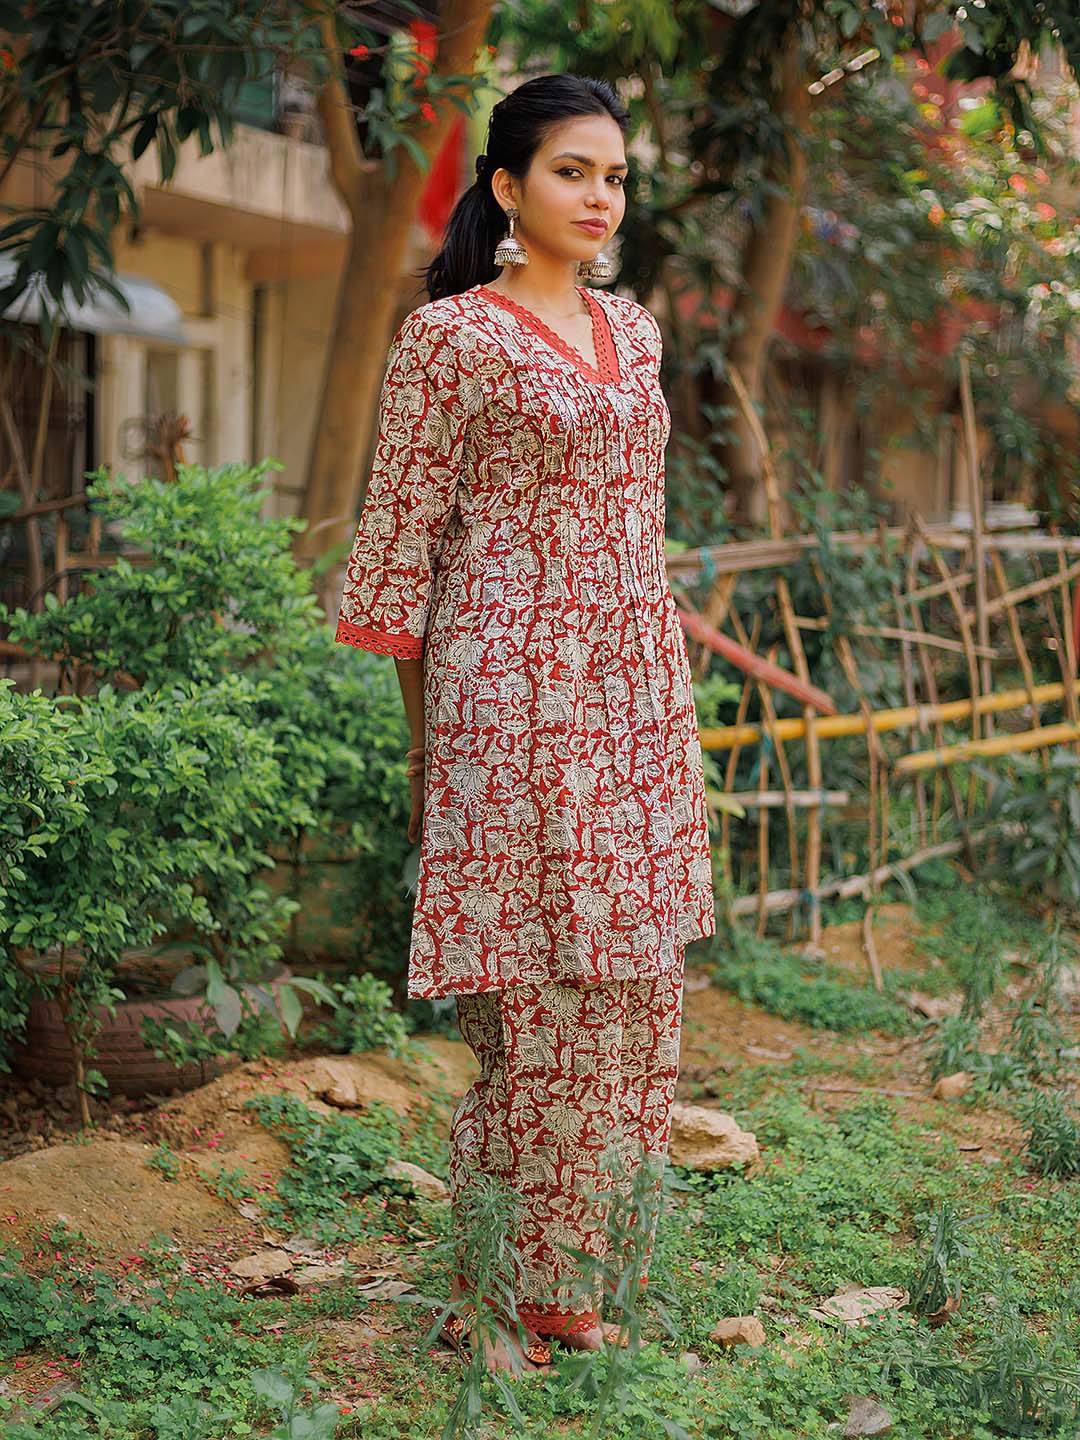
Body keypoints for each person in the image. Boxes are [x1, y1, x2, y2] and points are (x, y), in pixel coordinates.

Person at [334, 73, 715, 1376]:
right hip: (508, 697)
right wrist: (429, 762)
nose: (599, 196)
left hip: (631, 693)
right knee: (536, 1001)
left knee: (634, 985)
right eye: (571, 171)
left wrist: (655, 652)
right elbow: (394, 551)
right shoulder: (454, 340)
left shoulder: (642, 334)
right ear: (506, 186)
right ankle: (491, 1284)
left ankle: (575, 1280)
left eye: (614, 175)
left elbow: (638, 525)